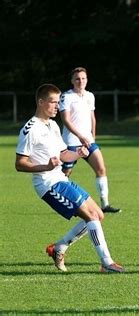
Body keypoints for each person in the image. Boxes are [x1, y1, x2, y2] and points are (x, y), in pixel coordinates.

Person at [15, 83, 124, 273]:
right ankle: (106, 263)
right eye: (53, 102)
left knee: (98, 215)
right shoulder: (30, 129)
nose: (57, 106)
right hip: (48, 185)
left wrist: (79, 154)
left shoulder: (53, 125)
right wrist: (45, 166)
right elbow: (20, 163)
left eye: (58, 102)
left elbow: (64, 153)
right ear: (41, 102)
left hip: (60, 180)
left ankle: (60, 247)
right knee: (91, 217)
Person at [59, 67, 120, 213]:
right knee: (65, 174)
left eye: (83, 78)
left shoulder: (89, 96)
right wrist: (80, 136)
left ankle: (104, 204)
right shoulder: (66, 97)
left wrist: (93, 136)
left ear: (87, 80)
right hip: (71, 142)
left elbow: (92, 117)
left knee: (101, 168)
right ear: (72, 81)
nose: (81, 81)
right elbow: (66, 120)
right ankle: (61, 202)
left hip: (88, 141)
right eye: (78, 79)